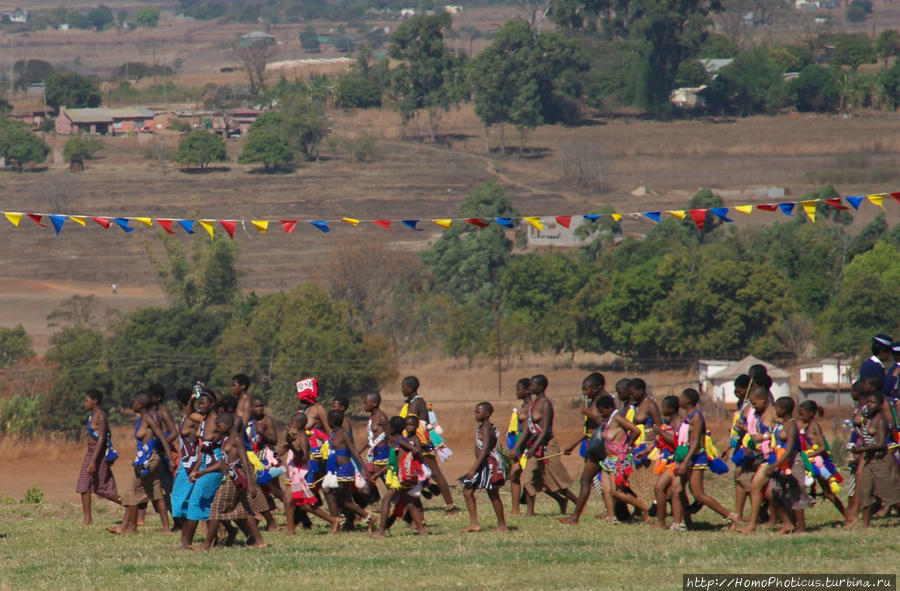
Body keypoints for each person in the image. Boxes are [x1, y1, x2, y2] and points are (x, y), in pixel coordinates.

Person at [507, 375, 576, 516]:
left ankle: (578, 502)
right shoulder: (533, 405)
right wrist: (515, 448)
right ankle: (529, 512)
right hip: (532, 446)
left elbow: (545, 430)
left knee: (553, 480)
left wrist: (532, 448)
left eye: (532, 385)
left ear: (540, 387)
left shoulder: (545, 404)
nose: (530, 388)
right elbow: (527, 430)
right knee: (529, 479)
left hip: (544, 446)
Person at [108, 392, 173, 535]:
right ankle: (166, 528)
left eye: (135, 402)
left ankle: (131, 528)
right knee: (156, 493)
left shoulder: (149, 418)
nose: (133, 404)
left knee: (132, 492)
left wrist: (170, 458)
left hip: (149, 460)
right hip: (146, 458)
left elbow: (161, 436)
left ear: (141, 405)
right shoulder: (144, 418)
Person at [670, 389, 734, 531]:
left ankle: (730, 517)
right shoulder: (689, 417)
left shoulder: (697, 417)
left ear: (687, 401)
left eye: (681, 397)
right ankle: (681, 523)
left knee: (698, 494)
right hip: (686, 458)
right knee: (676, 489)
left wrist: (686, 462)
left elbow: (696, 443)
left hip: (696, 458)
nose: (678, 399)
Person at [202, 412, 268, 549]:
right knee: (244, 510)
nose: (216, 428)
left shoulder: (236, 439)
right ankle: (259, 541)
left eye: (218, 425)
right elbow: (223, 463)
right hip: (232, 476)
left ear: (227, 425)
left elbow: (245, 460)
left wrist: (250, 484)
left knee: (216, 509)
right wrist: (202, 472)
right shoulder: (226, 439)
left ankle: (207, 544)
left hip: (236, 477)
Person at [738, 396, 802, 535]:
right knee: (771, 494)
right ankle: (787, 523)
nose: (753, 406)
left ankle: (752, 525)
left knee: (756, 487)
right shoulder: (777, 420)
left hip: (778, 462)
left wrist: (775, 464)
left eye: (755, 402)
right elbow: (773, 433)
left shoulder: (784, 421)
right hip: (772, 460)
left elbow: (789, 447)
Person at [399, 376, 458, 514]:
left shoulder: (415, 403)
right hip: (417, 442)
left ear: (411, 388)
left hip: (420, 442)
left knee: (436, 473)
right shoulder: (414, 402)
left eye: (404, 387)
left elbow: (411, 424)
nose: (402, 390)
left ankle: (450, 506)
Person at [559, 373, 608, 525]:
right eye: (584, 390)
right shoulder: (593, 401)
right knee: (587, 480)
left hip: (603, 445)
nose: (585, 393)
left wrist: (589, 413)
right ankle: (575, 517)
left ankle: (576, 517)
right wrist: (574, 444)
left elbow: (607, 421)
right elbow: (589, 429)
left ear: (598, 387)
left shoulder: (604, 400)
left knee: (592, 480)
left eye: (587, 390)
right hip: (593, 443)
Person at [178, 386, 222, 550]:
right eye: (199, 403)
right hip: (204, 461)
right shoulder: (203, 418)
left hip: (215, 464)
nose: (200, 405)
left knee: (196, 503)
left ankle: (187, 544)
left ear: (212, 403)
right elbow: (189, 412)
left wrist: (202, 469)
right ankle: (207, 541)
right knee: (203, 504)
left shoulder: (218, 419)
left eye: (204, 402)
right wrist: (192, 397)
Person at [282, 413, 341, 535]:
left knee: (297, 502)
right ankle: (291, 530)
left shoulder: (303, 437)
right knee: (291, 501)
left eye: (292, 422)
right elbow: (286, 448)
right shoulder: (296, 436)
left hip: (301, 473)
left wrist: (292, 448)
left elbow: (304, 458)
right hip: (294, 472)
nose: (291, 424)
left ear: (299, 424)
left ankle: (333, 520)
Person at [591, 394, 645, 523]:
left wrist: (628, 445)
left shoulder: (618, 418)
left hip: (618, 460)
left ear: (609, 408)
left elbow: (636, 430)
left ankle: (646, 509)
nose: (601, 414)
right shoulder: (609, 419)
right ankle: (611, 517)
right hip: (607, 460)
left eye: (602, 411)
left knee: (617, 493)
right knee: (606, 490)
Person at [370, 416, 427, 537]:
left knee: (386, 500)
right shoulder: (399, 441)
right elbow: (394, 461)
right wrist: (378, 473)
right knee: (410, 503)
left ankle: (381, 531)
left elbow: (416, 451)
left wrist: (407, 464)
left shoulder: (401, 441)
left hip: (402, 477)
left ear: (392, 429)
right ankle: (422, 530)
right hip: (402, 477)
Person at [852, 391, 900, 528]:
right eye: (867, 403)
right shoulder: (868, 418)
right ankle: (865, 525)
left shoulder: (882, 420)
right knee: (865, 490)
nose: (869, 405)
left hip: (882, 460)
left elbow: (881, 444)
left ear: (880, 404)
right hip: (869, 460)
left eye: (872, 403)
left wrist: (860, 450)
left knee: (889, 492)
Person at [461, 402, 507, 533]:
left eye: (478, 412)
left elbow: (486, 449)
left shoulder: (487, 429)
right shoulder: (482, 427)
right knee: (467, 491)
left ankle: (502, 525)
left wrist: (473, 468)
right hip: (483, 464)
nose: (476, 414)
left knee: (493, 494)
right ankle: (474, 523)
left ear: (487, 413)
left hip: (489, 464)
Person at [797, 400, 845, 524]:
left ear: (811, 413)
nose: (800, 417)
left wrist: (808, 456)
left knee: (829, 493)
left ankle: (849, 516)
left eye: (802, 414)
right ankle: (848, 516)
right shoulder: (807, 427)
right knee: (827, 493)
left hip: (818, 464)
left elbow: (822, 446)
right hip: (812, 462)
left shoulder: (814, 427)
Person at [77, 389, 121, 525]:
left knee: (104, 488)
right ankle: (87, 519)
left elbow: (102, 438)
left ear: (95, 401)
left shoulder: (101, 416)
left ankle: (130, 507)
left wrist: (94, 461)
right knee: (83, 485)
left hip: (98, 453)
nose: (85, 403)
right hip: (90, 452)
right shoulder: (92, 415)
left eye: (87, 400)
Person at [322, 409, 372, 528]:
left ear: (331, 421)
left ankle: (336, 522)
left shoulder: (343, 434)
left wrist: (364, 469)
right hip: (335, 470)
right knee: (342, 500)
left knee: (331, 495)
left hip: (344, 469)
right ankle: (364, 516)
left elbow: (354, 451)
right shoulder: (333, 434)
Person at [648, 395, 680, 529]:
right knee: (671, 491)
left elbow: (675, 442)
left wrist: (660, 431)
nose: (662, 410)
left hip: (675, 461)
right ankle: (679, 521)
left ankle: (661, 521)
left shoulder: (678, 423)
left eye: (664, 407)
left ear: (671, 409)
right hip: (667, 459)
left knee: (660, 488)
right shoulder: (669, 422)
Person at [171, 387, 200, 532]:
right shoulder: (187, 417)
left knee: (179, 494)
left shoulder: (193, 417)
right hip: (187, 460)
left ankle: (179, 524)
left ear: (180, 402)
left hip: (192, 461)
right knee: (183, 493)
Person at [507, 377, 533, 516]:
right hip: (520, 446)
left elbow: (528, 430)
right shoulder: (523, 408)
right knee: (514, 474)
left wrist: (516, 448)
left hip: (529, 446)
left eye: (519, 389)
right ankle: (515, 509)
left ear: (528, 390)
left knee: (544, 481)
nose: (516, 392)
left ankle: (573, 501)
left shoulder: (531, 407)